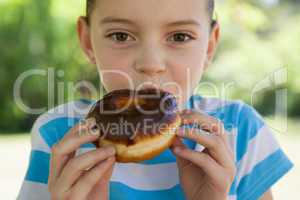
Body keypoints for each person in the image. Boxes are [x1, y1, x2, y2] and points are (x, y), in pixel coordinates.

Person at [18, 0, 293, 199]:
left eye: (179, 36)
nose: (150, 64)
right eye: (121, 35)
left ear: (209, 45)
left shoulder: (239, 131)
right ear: (88, 42)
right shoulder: (58, 137)